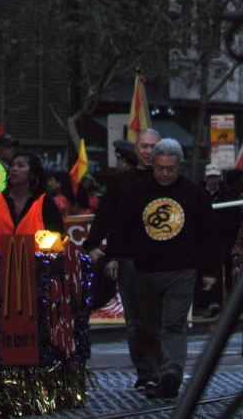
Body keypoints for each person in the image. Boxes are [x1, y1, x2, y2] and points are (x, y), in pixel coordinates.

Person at [108, 139, 219, 400]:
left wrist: (210, 270)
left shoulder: (193, 194)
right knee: (151, 329)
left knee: (174, 324)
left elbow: (208, 234)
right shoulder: (138, 192)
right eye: (159, 168)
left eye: (170, 168)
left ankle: (171, 374)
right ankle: (159, 376)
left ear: (179, 166)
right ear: (153, 166)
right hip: (145, 271)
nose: (165, 173)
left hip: (182, 271)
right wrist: (113, 256)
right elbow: (121, 225)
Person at [86, 128, 159, 391]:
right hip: (128, 261)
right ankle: (145, 372)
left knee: (159, 320)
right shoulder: (121, 183)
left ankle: (161, 370)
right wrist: (96, 247)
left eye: (153, 147)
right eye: (144, 146)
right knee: (135, 322)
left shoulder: (167, 179)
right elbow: (107, 218)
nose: (149, 152)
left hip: (164, 262)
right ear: (136, 150)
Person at [0, 151, 66, 248]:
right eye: (12, 165)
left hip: (35, 262)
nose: (14, 169)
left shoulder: (45, 202)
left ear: (32, 173)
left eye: (20, 166)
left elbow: (59, 237)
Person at [198, 165, 238, 315]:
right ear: (205, 178)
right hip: (203, 239)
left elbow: (233, 218)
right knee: (205, 270)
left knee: (227, 271)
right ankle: (206, 302)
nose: (212, 180)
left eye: (215, 177)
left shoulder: (228, 194)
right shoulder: (198, 192)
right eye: (210, 177)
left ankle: (227, 304)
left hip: (224, 239)